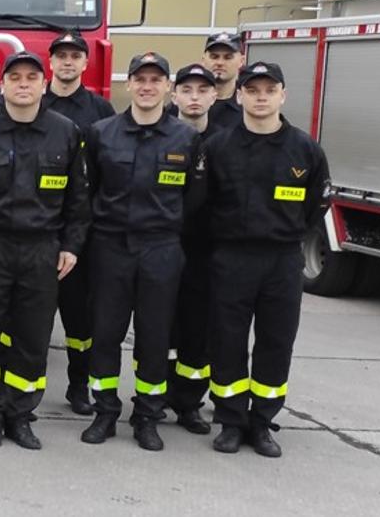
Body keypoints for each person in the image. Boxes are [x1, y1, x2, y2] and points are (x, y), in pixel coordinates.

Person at [0, 50, 90, 450]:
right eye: (16, 77)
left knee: (33, 337)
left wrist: (72, 246)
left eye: (31, 78)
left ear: (44, 84)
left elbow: (79, 198)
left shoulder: (66, 132)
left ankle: (20, 415)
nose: (23, 84)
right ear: (1, 83)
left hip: (42, 250)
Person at [201, 61, 330, 458]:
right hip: (231, 258)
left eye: (268, 90)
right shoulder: (217, 147)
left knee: (276, 342)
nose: (260, 98)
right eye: (252, 90)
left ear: (282, 95)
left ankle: (262, 423)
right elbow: (201, 205)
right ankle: (230, 420)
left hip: (281, 261)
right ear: (238, 95)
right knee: (227, 341)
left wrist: (285, 236)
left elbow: (316, 205)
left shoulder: (304, 149)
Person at [79, 53, 203, 450]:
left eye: (156, 80)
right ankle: (105, 411)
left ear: (167, 87)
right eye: (140, 79)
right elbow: (89, 190)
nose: (147, 87)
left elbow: (195, 199)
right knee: (105, 334)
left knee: (154, 336)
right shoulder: (101, 133)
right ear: (128, 85)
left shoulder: (186, 139)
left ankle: (148, 416)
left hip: (161, 249)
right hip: (111, 247)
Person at [43, 30, 116, 416]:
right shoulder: (36, 103)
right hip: (37, 226)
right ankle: (24, 390)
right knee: (30, 315)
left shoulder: (101, 111)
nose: (68, 62)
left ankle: (77, 385)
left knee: (80, 318)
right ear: (50, 62)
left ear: (86, 63)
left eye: (75, 55)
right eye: (61, 56)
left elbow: (109, 169)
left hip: (81, 228)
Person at [165, 63, 220, 435]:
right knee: (159, 331)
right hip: (163, 248)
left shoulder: (225, 142)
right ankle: (153, 399)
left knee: (198, 334)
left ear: (215, 96)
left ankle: (188, 404)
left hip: (208, 254)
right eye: (187, 90)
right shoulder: (159, 136)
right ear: (175, 95)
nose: (194, 97)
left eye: (203, 90)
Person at [202, 32, 245, 131]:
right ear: (203, 60)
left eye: (228, 57)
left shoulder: (248, 103)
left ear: (241, 61)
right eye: (214, 57)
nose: (220, 63)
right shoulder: (185, 102)